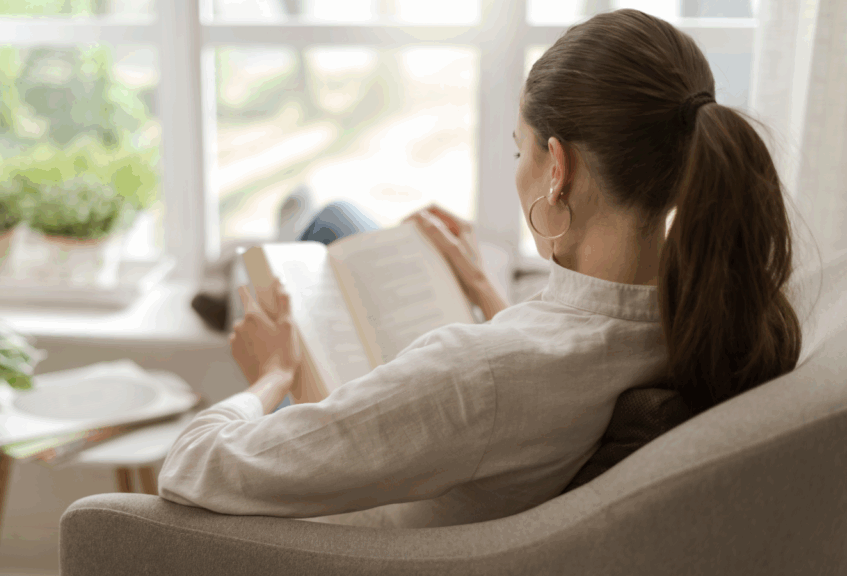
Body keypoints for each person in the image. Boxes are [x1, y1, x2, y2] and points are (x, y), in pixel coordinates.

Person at [157, 9, 802, 528]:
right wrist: (487, 292)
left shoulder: (478, 371)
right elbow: (561, 369)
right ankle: (287, 236)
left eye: (518, 149)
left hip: (418, 447)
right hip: (470, 415)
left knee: (327, 223)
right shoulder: (704, 317)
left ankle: (253, 266)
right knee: (343, 221)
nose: (517, 167)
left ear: (559, 168)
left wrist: (272, 375)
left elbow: (193, 465)